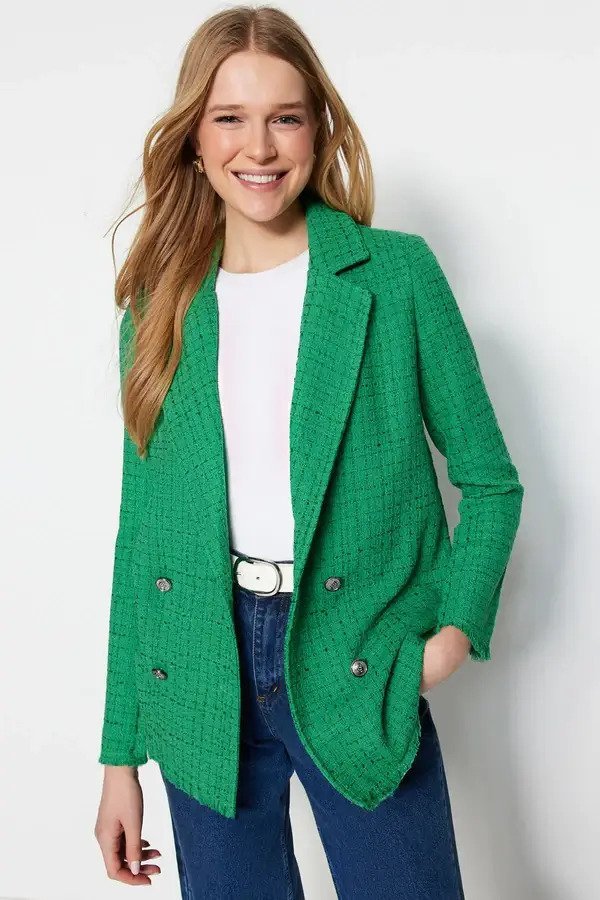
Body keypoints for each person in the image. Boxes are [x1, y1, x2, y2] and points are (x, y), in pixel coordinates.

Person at [94, 6, 524, 897]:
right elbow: (143, 542)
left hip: (356, 657)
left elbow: (490, 482)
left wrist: (447, 638)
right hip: (199, 669)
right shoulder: (160, 306)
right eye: (230, 118)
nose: (259, 146)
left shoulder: (395, 275)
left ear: (318, 128)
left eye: (284, 117)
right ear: (195, 139)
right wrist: (118, 757)